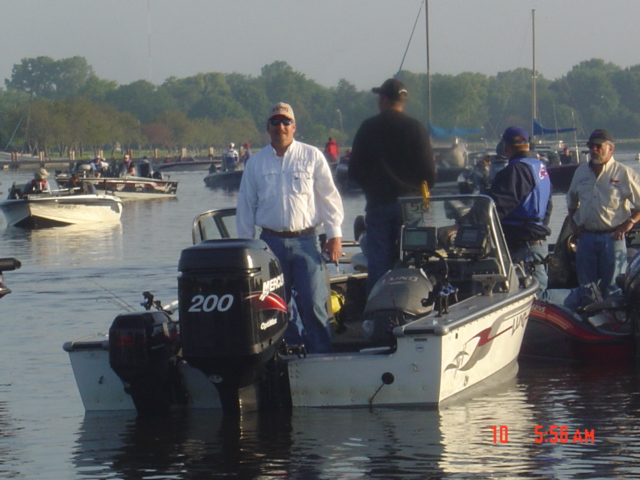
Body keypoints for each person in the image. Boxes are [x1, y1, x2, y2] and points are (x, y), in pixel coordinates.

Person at [236, 102, 344, 353]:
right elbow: (245, 206)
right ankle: (289, 354)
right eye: (275, 122)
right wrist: (246, 246)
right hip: (268, 245)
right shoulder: (255, 163)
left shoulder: (312, 156)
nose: (281, 127)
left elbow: (329, 198)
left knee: (314, 304)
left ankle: (321, 356)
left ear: (294, 126)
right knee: (276, 307)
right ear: (268, 127)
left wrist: (335, 235)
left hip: (307, 242)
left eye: (286, 122)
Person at [348, 78, 436, 294]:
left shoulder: (368, 127)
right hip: (412, 204)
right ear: (402, 101)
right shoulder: (415, 128)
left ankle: (377, 307)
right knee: (414, 259)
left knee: (379, 263)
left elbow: (354, 170)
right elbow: (428, 171)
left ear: (384, 99)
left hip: (379, 203)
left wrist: (372, 188)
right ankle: (414, 302)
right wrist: (417, 190)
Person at [567, 128, 640, 299]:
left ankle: (612, 315)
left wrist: (629, 223)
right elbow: (571, 201)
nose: (594, 149)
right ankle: (588, 313)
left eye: (598, 146)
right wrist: (573, 224)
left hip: (613, 237)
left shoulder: (623, 173)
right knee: (586, 289)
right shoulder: (581, 172)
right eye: (591, 146)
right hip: (586, 237)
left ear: (610, 148)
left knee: (613, 288)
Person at [488, 126, 552, 299]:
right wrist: (537, 228)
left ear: (505, 147)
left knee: (533, 299)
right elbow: (548, 205)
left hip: (523, 248)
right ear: (528, 144)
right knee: (537, 294)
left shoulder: (516, 170)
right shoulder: (539, 167)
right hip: (536, 242)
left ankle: (580, 296)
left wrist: (462, 225)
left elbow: (497, 206)